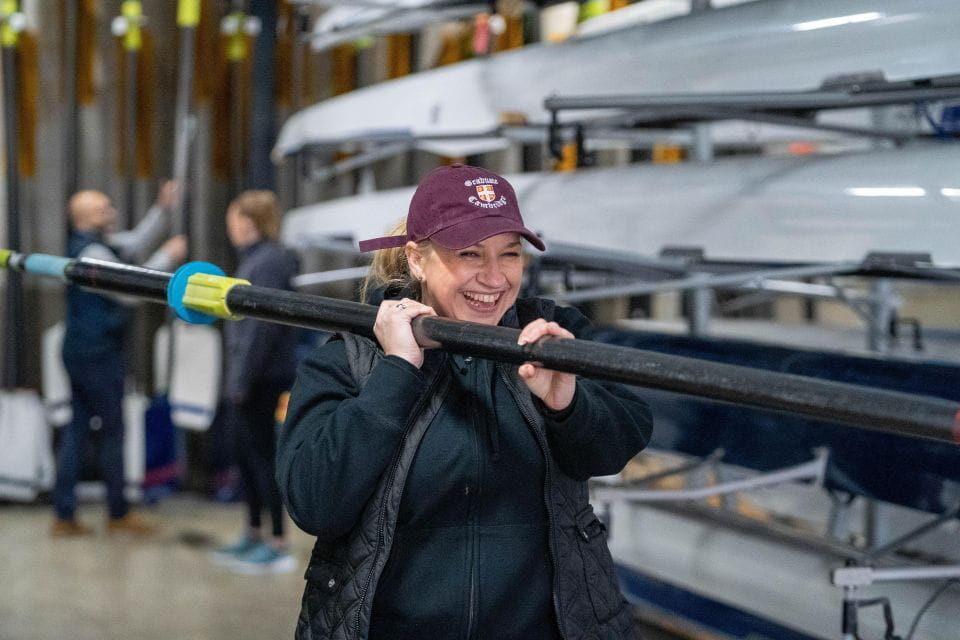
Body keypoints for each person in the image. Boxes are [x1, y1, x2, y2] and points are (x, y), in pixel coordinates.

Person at [277, 164, 653, 639]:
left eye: (510, 255)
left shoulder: (552, 337)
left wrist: (569, 403)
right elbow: (314, 504)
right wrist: (396, 371)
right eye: (470, 254)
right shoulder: (352, 357)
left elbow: (620, 441)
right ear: (416, 258)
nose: (494, 278)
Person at [53, 182, 187, 536]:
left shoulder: (97, 244)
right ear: (84, 219)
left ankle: (64, 515)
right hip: (97, 356)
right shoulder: (92, 254)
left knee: (78, 430)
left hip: (81, 353)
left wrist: (163, 208)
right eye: (103, 209)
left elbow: (135, 243)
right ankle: (118, 515)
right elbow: (129, 289)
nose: (111, 212)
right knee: (114, 431)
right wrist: (169, 258)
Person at [210, 190, 299, 574]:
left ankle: (277, 542)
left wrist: (242, 379)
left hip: (263, 377)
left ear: (248, 221)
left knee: (263, 458)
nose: (230, 226)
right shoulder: (255, 261)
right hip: (250, 376)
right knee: (247, 457)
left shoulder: (269, 262)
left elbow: (261, 329)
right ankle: (253, 533)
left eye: (233, 218)